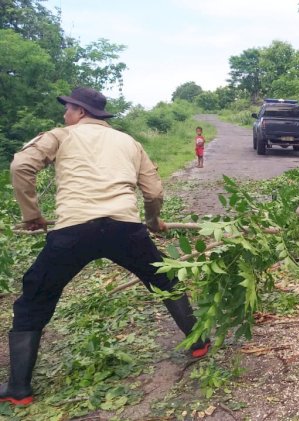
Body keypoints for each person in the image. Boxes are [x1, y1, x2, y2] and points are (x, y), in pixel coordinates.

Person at [0, 87, 210, 406]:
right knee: (164, 280)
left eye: (68, 109)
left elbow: (20, 167)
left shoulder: (60, 135)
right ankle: (199, 343)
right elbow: (153, 191)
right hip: (124, 228)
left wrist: (33, 216)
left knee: (34, 298)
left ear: (81, 112)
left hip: (73, 230)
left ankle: (18, 389)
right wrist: (153, 222)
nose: (64, 114)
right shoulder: (129, 142)